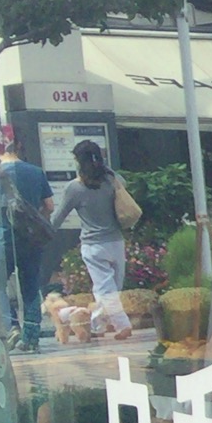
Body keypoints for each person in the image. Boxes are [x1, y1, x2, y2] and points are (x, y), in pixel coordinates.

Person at [50, 139, 136, 336]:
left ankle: (122, 325)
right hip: (115, 241)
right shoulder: (112, 180)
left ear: (78, 161)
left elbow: (59, 217)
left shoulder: (75, 188)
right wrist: (104, 168)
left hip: (93, 245)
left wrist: (44, 232)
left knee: (105, 290)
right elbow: (124, 183)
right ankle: (98, 325)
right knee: (110, 288)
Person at [0, 130, 55, 349]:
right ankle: (31, 336)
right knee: (31, 284)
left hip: (1, 238)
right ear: (19, 144)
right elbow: (49, 206)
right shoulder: (36, 172)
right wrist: (32, 221)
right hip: (30, 240)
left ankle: (11, 326)